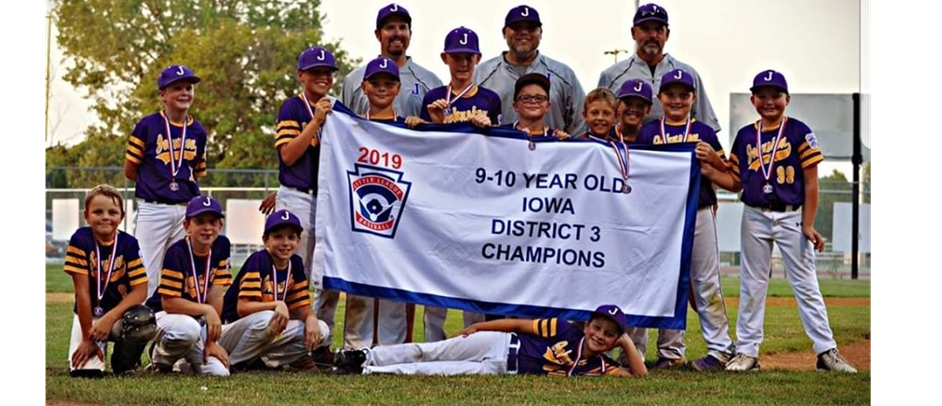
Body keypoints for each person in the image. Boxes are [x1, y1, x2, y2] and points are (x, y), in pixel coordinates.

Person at [722, 70, 857, 373]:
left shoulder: (798, 131)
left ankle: (826, 351)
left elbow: (811, 183)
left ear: (787, 99)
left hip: (791, 214)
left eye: (775, 95)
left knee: (805, 284)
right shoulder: (745, 135)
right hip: (754, 213)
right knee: (752, 284)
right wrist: (708, 167)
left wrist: (808, 224)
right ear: (753, 99)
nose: (769, 101)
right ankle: (747, 352)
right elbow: (733, 181)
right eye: (763, 95)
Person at [634, 69, 736, 371]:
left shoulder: (704, 132)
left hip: (699, 210)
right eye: (670, 95)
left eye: (684, 95)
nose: (677, 100)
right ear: (660, 98)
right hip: (660, 216)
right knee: (661, 282)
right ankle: (670, 353)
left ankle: (720, 350)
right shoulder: (649, 132)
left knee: (705, 282)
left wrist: (714, 161)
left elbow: (730, 174)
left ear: (693, 98)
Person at [333, 305, 647, 377]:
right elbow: (519, 323)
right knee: (429, 351)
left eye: (608, 334)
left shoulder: (600, 366)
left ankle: (366, 372)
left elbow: (639, 378)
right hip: (499, 344)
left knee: (434, 371)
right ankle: (363, 357)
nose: (599, 336)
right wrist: (481, 329)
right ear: (588, 324)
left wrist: (627, 344)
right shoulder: (567, 329)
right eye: (597, 327)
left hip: (500, 370)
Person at [343, 56, 410, 350]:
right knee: (359, 284)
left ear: (398, 88)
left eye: (388, 83)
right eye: (375, 83)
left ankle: (391, 350)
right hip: (360, 213)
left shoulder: (409, 129)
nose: (382, 88)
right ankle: (355, 349)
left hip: (397, 215)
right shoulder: (350, 126)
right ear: (364, 86)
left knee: (393, 283)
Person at [125, 65, 208, 298]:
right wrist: (156, 185)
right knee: (145, 274)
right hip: (154, 208)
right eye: (177, 88)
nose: (184, 93)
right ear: (163, 95)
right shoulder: (147, 125)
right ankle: (137, 328)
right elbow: (130, 169)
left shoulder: (198, 131)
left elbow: (197, 171)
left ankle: (177, 329)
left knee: (181, 273)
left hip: (185, 209)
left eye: (188, 88)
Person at [221, 210, 331, 371]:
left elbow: (301, 306)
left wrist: (310, 318)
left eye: (291, 237)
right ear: (266, 240)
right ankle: (235, 362)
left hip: (260, 333)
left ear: (298, 240)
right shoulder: (258, 260)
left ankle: (263, 360)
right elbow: (243, 308)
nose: (285, 242)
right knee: (268, 318)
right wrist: (276, 304)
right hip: (231, 329)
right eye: (278, 236)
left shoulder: (295, 263)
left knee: (322, 330)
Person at [65, 185, 155, 377]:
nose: (105, 217)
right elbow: (82, 292)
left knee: (143, 320)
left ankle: (124, 364)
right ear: (86, 216)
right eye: (98, 211)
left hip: (118, 316)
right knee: (86, 373)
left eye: (112, 212)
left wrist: (109, 318)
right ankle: (94, 350)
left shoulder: (129, 243)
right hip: (89, 316)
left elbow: (140, 290)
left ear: (121, 216)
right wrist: (87, 337)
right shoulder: (80, 239)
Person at [597, 3, 720, 132]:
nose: (653, 35)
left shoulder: (688, 74)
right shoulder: (611, 75)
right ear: (633, 33)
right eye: (645, 29)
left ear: (667, 34)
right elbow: (599, 124)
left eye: (659, 30)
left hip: (676, 149)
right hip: (626, 150)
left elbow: (707, 126)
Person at [146, 195, 233, 376]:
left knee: (219, 373)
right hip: (165, 316)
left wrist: (210, 342)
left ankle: (184, 363)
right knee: (188, 329)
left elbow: (216, 294)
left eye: (213, 222)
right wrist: (207, 310)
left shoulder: (222, 245)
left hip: (196, 319)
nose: (207, 228)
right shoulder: (176, 252)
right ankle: (160, 358)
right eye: (200, 221)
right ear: (187, 226)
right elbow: (169, 303)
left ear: (220, 226)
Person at [476, 5, 586, 135]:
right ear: (504, 32)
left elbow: (581, 125)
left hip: (551, 153)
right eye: (516, 27)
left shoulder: (563, 74)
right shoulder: (481, 74)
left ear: (541, 33)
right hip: (498, 153)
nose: (523, 32)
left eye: (531, 28)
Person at [342, 3, 442, 117]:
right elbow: (341, 124)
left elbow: (440, 129)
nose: (397, 33)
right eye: (390, 27)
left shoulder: (431, 82)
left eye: (403, 27)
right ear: (378, 34)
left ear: (410, 33)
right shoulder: (354, 80)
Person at [407, 26, 501, 129]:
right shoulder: (433, 98)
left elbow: (498, 141)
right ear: (444, 58)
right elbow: (427, 140)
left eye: (469, 57)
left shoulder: (491, 98)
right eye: (456, 57)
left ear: (478, 58)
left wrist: (490, 127)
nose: (463, 63)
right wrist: (425, 124)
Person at [497, 73, 570, 141]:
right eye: (525, 98)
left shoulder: (555, 138)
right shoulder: (499, 134)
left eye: (539, 98)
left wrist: (564, 142)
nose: (533, 101)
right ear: (515, 106)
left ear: (547, 106)